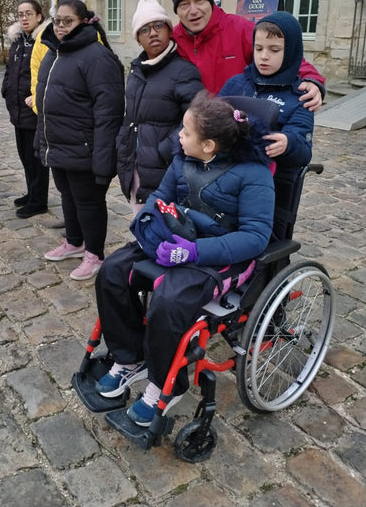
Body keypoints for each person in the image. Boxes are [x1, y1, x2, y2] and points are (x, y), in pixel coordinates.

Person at [95, 91, 275, 427]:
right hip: (175, 235)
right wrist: (148, 227)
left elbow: (254, 237)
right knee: (112, 271)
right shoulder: (183, 159)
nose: (179, 136)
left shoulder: (253, 174)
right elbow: (159, 197)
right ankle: (130, 356)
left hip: (221, 253)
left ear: (209, 145)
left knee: (169, 299)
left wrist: (193, 252)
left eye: (186, 132)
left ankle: (166, 382)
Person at [36, 0, 125, 280]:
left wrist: (102, 159)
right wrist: (43, 140)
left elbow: (108, 113)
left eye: (68, 21)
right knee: (67, 197)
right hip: (59, 144)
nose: (61, 27)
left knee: (88, 203)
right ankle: (74, 242)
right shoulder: (53, 51)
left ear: (84, 21)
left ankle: (95, 254)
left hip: (84, 148)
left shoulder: (97, 57)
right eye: (58, 21)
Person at [170, 0, 326, 110]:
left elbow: (287, 57)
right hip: (195, 126)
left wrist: (312, 80)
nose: (193, 10)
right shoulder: (173, 40)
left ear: (211, 2)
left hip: (239, 123)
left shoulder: (240, 29)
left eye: (199, 1)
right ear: (177, 10)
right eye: (184, 4)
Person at [116, 0, 203, 215]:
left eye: (158, 26)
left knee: (165, 231)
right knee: (142, 224)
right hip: (136, 166)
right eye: (144, 29)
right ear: (138, 38)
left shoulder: (184, 71)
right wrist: (122, 143)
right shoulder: (136, 70)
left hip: (166, 168)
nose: (152, 33)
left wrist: (163, 150)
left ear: (168, 29)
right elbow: (131, 115)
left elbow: (197, 118)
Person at [219, 11, 314, 169]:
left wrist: (288, 142)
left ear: (291, 52)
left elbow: (303, 150)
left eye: (274, 50)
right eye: (258, 48)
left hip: (268, 178)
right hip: (224, 167)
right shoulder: (235, 84)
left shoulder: (300, 97)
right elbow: (211, 116)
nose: (264, 56)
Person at [1, 0, 50, 218]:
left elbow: (47, 73)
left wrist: (36, 97)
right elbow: (9, 70)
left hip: (34, 110)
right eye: (20, 14)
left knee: (36, 158)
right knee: (24, 156)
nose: (24, 18)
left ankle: (39, 201)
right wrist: (6, 89)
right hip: (17, 110)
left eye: (28, 13)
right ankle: (31, 193)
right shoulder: (18, 41)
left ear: (39, 16)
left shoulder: (43, 41)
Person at [29, 0, 109, 113]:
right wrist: (39, 106)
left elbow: (101, 87)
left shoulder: (94, 37)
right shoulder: (44, 37)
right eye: (62, 3)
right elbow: (36, 73)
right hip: (48, 115)